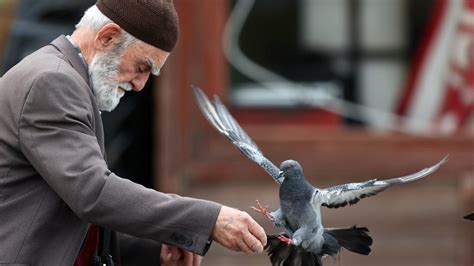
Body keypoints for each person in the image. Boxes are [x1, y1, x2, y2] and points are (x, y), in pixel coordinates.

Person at [0, 0, 267, 265]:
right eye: (142, 66)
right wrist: (209, 219)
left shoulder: (64, 78)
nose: (140, 84)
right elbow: (93, 193)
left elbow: (69, 218)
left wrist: (154, 248)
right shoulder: (53, 81)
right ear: (107, 37)